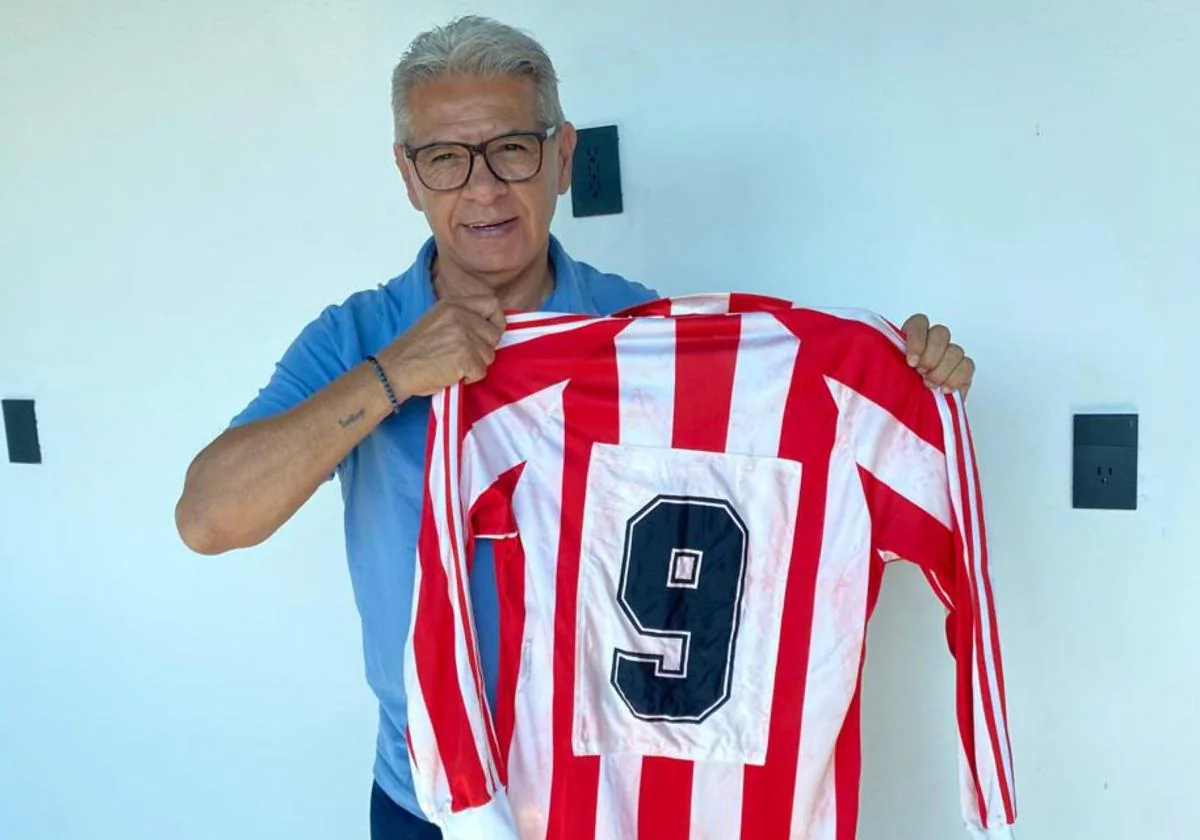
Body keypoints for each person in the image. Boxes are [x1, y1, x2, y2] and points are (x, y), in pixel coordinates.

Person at [173, 14, 977, 840]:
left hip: (611, 803)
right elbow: (208, 518)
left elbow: (767, 506)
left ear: (562, 157)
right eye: (446, 159)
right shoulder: (356, 337)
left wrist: (898, 385)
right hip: (425, 801)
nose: (483, 188)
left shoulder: (647, 335)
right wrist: (392, 376)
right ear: (408, 177)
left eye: (512, 149)